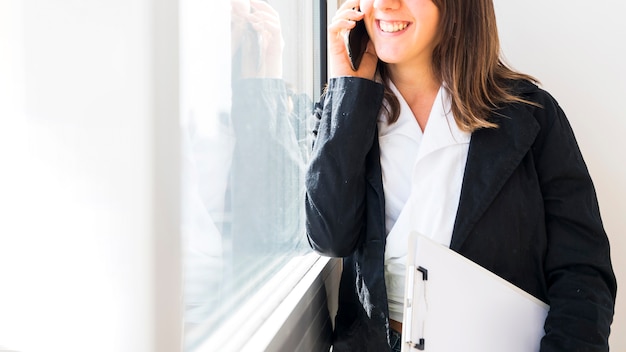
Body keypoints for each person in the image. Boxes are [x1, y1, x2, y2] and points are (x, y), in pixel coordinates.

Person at [304, 0, 617, 351]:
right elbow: (330, 237)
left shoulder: (533, 117)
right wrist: (348, 91)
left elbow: (582, 272)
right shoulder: (346, 110)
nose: (386, 4)